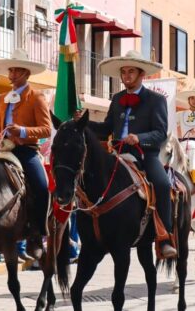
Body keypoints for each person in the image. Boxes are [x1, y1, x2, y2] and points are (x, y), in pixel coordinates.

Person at [75, 50, 176, 258]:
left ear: (141, 75)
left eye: (131, 72)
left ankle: (164, 236)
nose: (126, 76)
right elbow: (106, 128)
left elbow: (160, 132)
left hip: (145, 154)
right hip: (117, 153)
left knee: (163, 185)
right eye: (124, 72)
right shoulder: (118, 98)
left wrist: (139, 137)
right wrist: (84, 123)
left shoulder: (156, 100)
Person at [0, 48, 52, 259]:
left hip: (26, 150)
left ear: (26, 74)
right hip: (1, 148)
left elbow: (46, 129)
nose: (12, 74)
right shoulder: (1, 98)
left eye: (17, 71)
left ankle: (37, 233)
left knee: (42, 188)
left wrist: (22, 131)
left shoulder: (36, 97)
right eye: (11, 70)